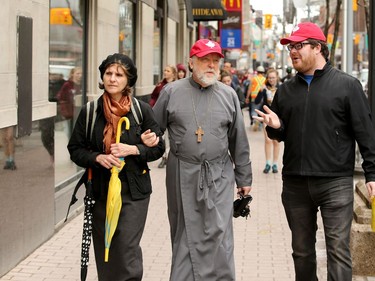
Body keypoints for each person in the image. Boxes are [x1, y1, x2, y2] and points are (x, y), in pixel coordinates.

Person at [253, 22, 375, 281]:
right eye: (290, 48)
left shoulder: (347, 86)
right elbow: (281, 133)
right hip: (295, 183)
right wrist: (276, 128)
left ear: (317, 47)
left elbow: (366, 133)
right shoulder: (285, 90)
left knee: (338, 251)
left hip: (335, 183)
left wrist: (372, 174)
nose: (292, 52)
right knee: (302, 253)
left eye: (298, 46)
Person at [152, 39, 253, 281]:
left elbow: (238, 139)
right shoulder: (171, 92)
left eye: (215, 61)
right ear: (191, 62)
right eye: (205, 60)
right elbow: (153, 130)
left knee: (219, 232)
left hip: (219, 174)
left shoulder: (229, 95)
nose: (211, 65)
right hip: (181, 172)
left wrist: (244, 177)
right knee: (184, 231)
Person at [67, 53, 165, 281]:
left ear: (128, 81)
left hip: (134, 191)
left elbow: (159, 148)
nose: (112, 78)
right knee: (106, 249)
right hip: (100, 191)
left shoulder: (142, 111)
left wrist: (135, 149)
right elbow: (75, 149)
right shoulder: (90, 112)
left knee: (125, 246)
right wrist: (97, 158)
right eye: (108, 73)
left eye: (119, 75)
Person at [149, 64, 177, 168]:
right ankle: (164, 158)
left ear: (173, 74)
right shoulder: (160, 85)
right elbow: (153, 98)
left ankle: (171, 157)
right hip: (162, 115)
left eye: (168, 71)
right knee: (163, 137)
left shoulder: (178, 86)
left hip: (174, 116)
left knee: (172, 137)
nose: (165, 72)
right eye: (165, 70)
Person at [254, 68, 280, 173]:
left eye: (273, 78)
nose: (271, 80)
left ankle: (275, 164)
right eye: (269, 78)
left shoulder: (282, 88)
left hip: (278, 117)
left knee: (276, 141)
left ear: (277, 78)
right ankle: (268, 163)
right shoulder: (264, 89)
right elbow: (256, 101)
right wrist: (260, 91)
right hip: (266, 117)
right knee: (268, 140)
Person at [56, 66, 82, 135]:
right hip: (70, 112)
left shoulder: (83, 85)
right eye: (78, 73)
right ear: (72, 74)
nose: (80, 75)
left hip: (80, 112)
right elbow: (61, 97)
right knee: (71, 131)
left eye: (81, 73)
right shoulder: (67, 85)